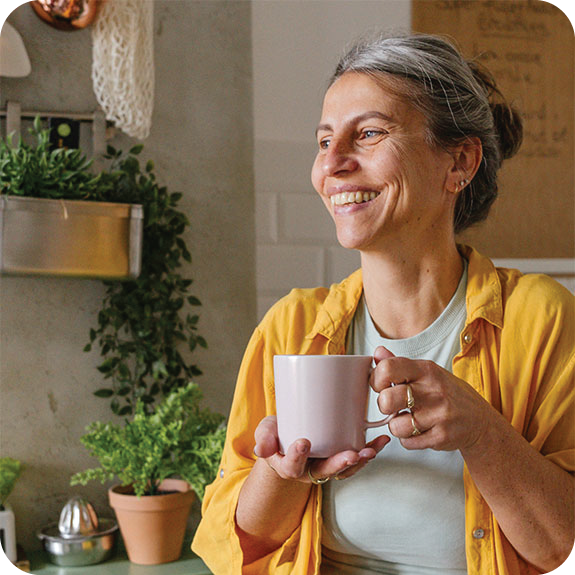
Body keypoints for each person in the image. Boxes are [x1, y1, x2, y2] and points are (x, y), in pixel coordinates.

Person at [192, 31, 574, 575]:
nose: (332, 165)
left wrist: (483, 433)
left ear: (459, 162)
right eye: (325, 142)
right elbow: (232, 546)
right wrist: (280, 472)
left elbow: (564, 550)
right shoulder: (291, 326)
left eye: (368, 133)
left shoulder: (542, 318)